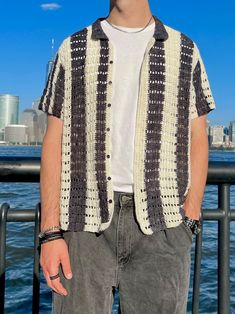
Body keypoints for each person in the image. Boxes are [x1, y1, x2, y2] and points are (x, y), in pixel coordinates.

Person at [38, 0, 216, 313]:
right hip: (84, 222)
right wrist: (51, 233)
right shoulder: (74, 47)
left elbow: (198, 138)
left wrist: (190, 214)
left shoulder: (185, 50)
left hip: (163, 224)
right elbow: (54, 140)